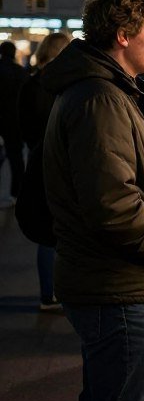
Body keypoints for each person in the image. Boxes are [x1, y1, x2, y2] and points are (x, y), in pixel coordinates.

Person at [41, 0, 144, 401]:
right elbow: (113, 204)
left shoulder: (103, 91)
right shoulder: (99, 98)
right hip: (117, 285)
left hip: (111, 282)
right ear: (124, 34)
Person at [17, 31, 71, 311]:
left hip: (37, 156)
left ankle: (49, 290)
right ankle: (51, 293)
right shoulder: (55, 84)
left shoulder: (32, 82)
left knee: (48, 228)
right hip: (52, 160)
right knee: (53, 229)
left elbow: (24, 123)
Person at [0, 40, 29, 202]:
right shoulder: (21, 72)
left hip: (2, 119)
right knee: (16, 159)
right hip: (14, 121)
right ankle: (16, 193)